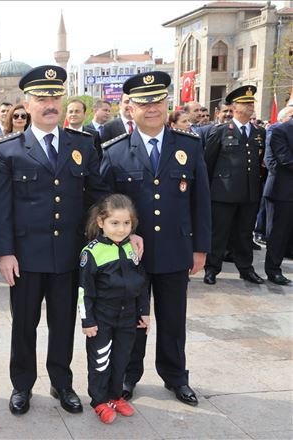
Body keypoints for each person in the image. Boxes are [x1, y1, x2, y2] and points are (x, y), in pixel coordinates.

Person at [0, 65, 112, 416]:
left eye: (55, 96)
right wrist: (6, 254)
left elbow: (98, 195)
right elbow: (0, 209)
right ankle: (22, 386)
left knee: (63, 324)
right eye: (41, 98)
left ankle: (62, 383)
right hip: (26, 256)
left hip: (68, 255)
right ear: (26, 104)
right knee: (24, 325)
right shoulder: (7, 150)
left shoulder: (83, 144)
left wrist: (124, 227)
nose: (50, 104)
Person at [100, 71, 211, 407]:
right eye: (143, 102)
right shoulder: (114, 151)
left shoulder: (188, 146)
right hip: (130, 254)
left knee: (174, 318)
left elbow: (200, 202)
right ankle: (127, 377)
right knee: (132, 320)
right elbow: (103, 203)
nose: (151, 108)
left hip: (176, 250)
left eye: (157, 101)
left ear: (167, 103)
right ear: (130, 108)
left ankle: (176, 377)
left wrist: (201, 248)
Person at [79, 194, 149, 424]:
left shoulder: (132, 248)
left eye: (126, 223)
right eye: (115, 223)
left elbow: (142, 282)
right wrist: (87, 321)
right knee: (101, 360)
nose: (121, 229)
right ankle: (99, 400)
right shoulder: (91, 253)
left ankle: (115, 396)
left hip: (128, 317)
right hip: (102, 318)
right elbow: (84, 291)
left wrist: (144, 311)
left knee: (121, 359)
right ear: (101, 223)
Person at [203, 85, 266, 285]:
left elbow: (260, 163)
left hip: (249, 193)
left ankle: (246, 269)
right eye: (245, 103)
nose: (250, 107)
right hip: (223, 193)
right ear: (234, 107)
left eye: (251, 103)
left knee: (245, 233)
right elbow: (208, 163)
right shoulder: (221, 131)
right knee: (219, 233)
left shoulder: (259, 133)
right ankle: (212, 268)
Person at [263, 117, 293, 285]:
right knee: (280, 233)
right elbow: (284, 158)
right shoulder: (281, 130)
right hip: (286, 192)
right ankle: (273, 270)